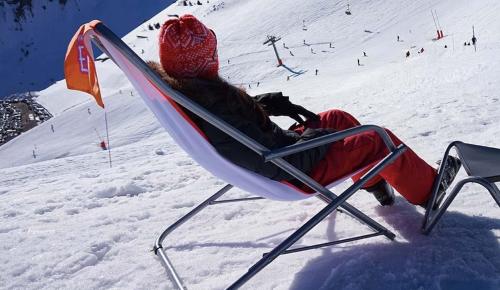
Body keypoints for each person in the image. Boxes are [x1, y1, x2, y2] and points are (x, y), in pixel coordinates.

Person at [148, 14, 461, 208]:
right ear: (201, 62)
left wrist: (261, 103)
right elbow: (267, 153)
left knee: (337, 117)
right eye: (211, 54)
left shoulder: (195, 96)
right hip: (291, 169)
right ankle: (430, 191)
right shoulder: (208, 102)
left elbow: (241, 130)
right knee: (376, 140)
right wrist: (316, 137)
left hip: (280, 154)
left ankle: (374, 182)